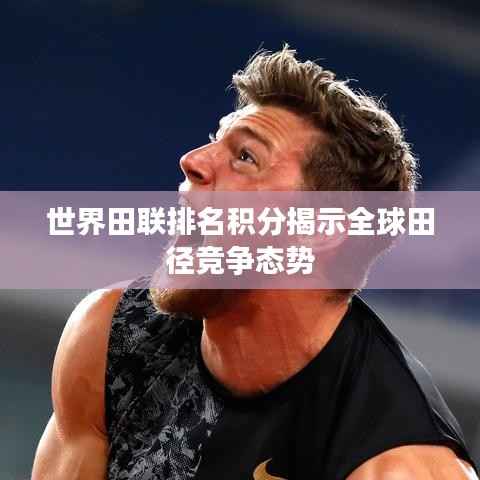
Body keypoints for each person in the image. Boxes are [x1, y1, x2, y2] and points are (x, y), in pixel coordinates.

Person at [32, 46, 478, 479]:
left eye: (246, 157)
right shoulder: (113, 341)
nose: (193, 161)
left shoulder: (395, 463)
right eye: (215, 142)